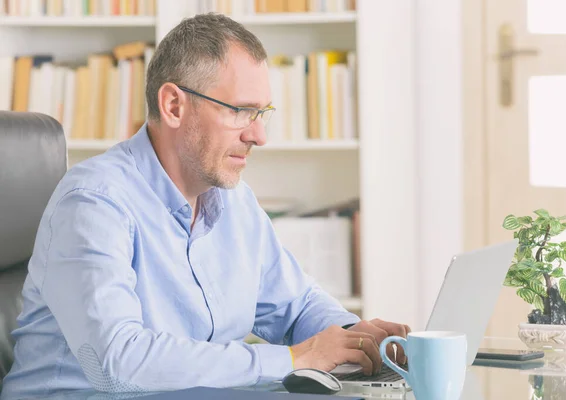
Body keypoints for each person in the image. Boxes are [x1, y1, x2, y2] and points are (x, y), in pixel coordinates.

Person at [0, 13, 410, 399]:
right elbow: (117, 363)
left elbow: (295, 304)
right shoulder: (94, 202)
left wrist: (357, 339)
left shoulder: (236, 202)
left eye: (262, 113)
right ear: (174, 106)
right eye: (240, 111)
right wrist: (294, 359)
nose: (259, 136)